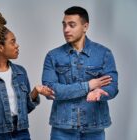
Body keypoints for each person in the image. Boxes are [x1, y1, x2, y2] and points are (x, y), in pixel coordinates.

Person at [0, 11, 54, 140]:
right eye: (12, 42)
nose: (17, 45)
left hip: (21, 132)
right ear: (1, 48)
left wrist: (35, 92)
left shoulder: (20, 72)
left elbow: (27, 109)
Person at [42, 6, 118, 140]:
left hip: (94, 128)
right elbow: (51, 90)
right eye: (64, 25)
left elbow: (112, 86)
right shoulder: (53, 56)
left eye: (72, 25)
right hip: (62, 129)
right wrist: (88, 86)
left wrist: (100, 92)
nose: (66, 30)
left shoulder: (104, 54)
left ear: (85, 26)